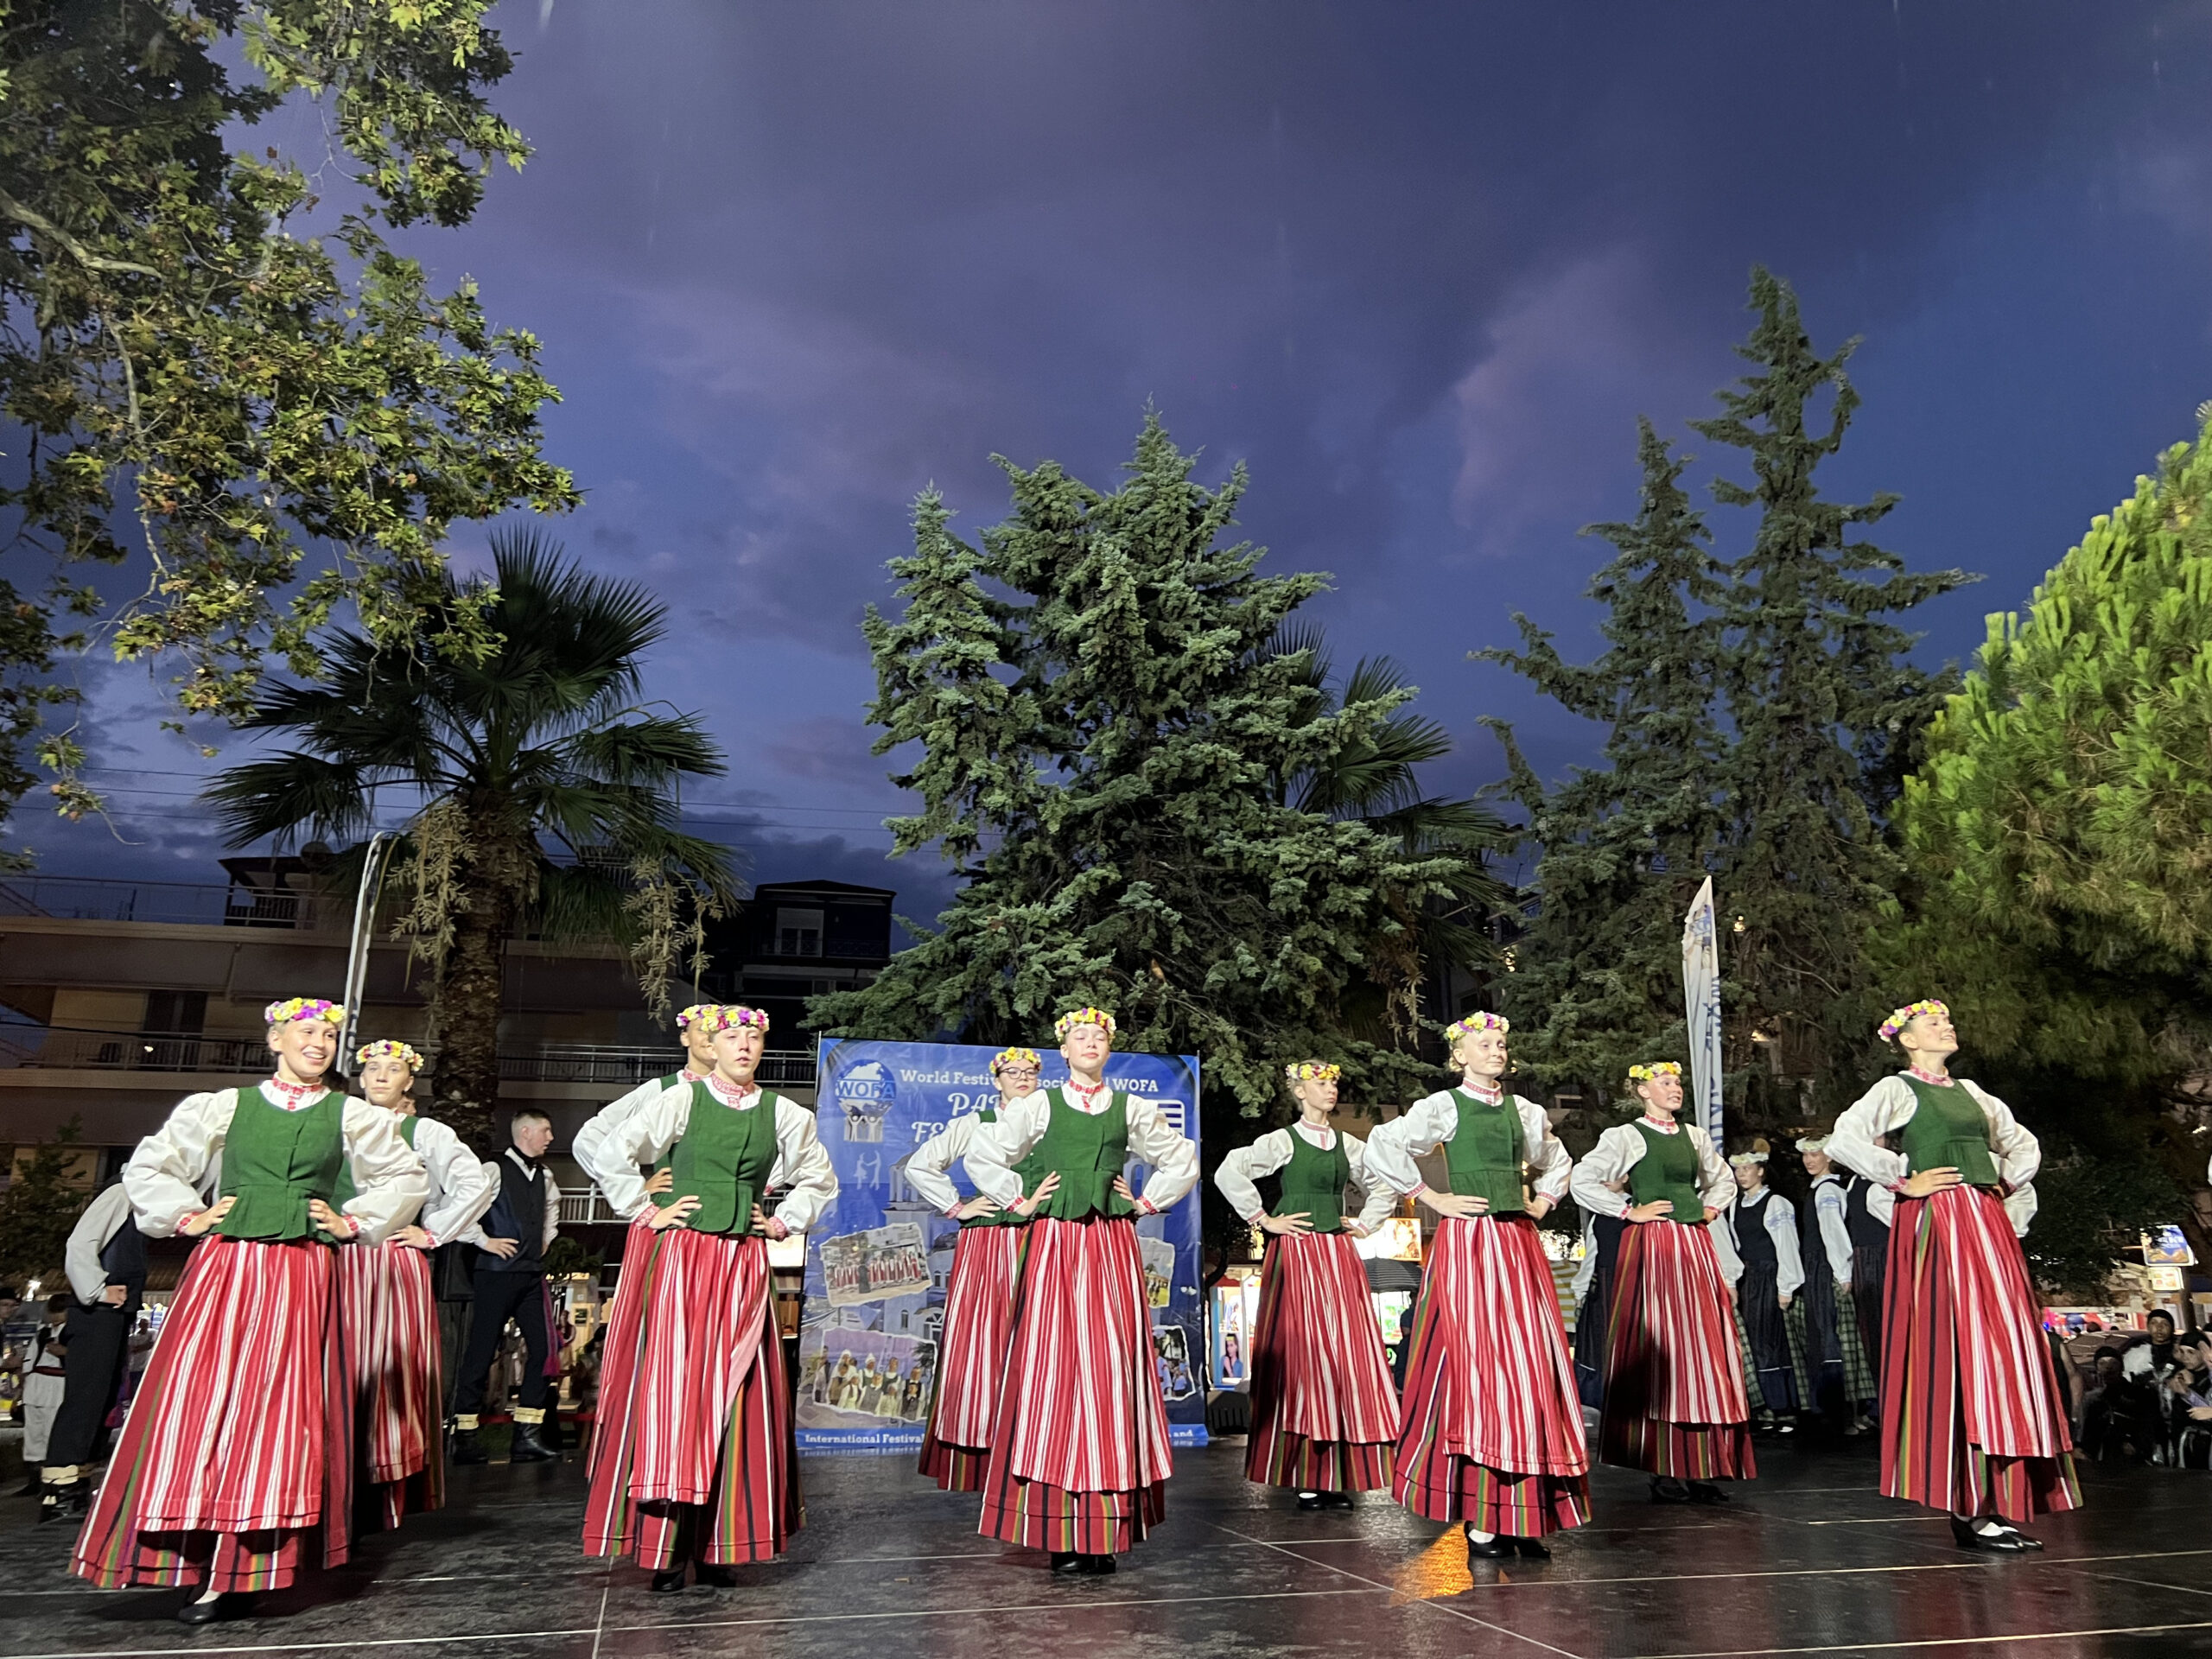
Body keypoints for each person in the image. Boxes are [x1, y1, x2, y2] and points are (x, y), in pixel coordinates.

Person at [71, 996, 426, 1624]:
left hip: (300, 1270)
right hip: (226, 1268)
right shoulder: (226, 1105)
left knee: (276, 1410)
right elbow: (151, 1163)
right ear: (275, 1040)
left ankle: (242, 1566)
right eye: (305, 1032)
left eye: (328, 1037)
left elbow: (405, 1174)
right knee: (199, 1401)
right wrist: (189, 1215)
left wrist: (351, 1221)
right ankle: (189, 1555)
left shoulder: (349, 1114)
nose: (318, 1044)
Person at [581, 1004, 836, 1589]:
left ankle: (722, 1543)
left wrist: (782, 1220)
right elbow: (612, 1150)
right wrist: (646, 1208)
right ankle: (667, 1547)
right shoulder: (681, 1099)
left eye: (753, 1037)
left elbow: (820, 1178)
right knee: (676, 1389)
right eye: (732, 1037)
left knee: (738, 1391)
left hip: (742, 1261)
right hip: (683, 1257)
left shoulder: (784, 1113)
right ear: (712, 1047)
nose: (744, 1046)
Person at [1828, 998, 2079, 1552]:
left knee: (2003, 1348)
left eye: (1946, 1020)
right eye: (1933, 1022)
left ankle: (1994, 1498)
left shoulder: (1973, 1093)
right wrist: (1902, 1179)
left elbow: (2022, 1144)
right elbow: (1844, 1138)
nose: (1946, 1026)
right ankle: (1968, 1506)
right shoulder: (1897, 1089)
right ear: (1908, 1039)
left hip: (1986, 1221)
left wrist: (2001, 1183)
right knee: (1956, 1348)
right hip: (1940, 1220)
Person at [963, 1007, 1200, 1576]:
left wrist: (1147, 1201)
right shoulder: (1039, 1105)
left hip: (1111, 1243)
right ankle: (1058, 1529)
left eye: (1099, 1036)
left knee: (1112, 1368)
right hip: (1055, 1244)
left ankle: (1104, 1530)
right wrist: (1019, 1200)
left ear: (1109, 1049)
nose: (1090, 1042)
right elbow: (984, 1153)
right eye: (1079, 1036)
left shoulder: (1130, 1108)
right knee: (1052, 1365)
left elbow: (1181, 1157)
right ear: (1064, 1050)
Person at [1365, 1013, 1588, 1562]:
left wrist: (1544, 1201)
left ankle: (1522, 1513)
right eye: (1485, 1044)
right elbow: (1383, 1144)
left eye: (1501, 1043)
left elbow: (1559, 1161)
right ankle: (1484, 1517)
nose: (1497, 1051)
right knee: (1480, 1367)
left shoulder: (1525, 1110)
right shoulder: (1444, 1106)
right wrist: (1431, 1197)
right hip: (1469, 1242)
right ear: (1460, 1055)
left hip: (1517, 1242)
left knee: (1531, 1367)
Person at [1216, 1060, 1398, 1510]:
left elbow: (1386, 1182)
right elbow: (1229, 1170)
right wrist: (1264, 1219)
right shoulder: (1284, 1140)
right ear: (1300, 1091)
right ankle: (1306, 1472)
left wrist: (1365, 1224)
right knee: (1304, 1354)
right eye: (1321, 1083)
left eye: (1334, 1082)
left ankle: (1335, 1471)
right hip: (1297, 1254)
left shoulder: (1348, 1145)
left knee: (1343, 1356)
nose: (1331, 1089)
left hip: (1337, 1253)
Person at [1571, 1060, 1753, 1505]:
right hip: (1653, 1247)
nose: (1675, 1088)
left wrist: (1709, 1208)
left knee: (1702, 1351)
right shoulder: (1627, 1136)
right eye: (1665, 1082)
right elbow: (1582, 1179)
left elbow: (1723, 1180)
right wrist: (1627, 1211)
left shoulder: (1694, 1136)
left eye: (1677, 1082)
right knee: (1662, 1350)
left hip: (1693, 1245)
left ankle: (1701, 1465)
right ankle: (1662, 1465)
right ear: (1642, 1091)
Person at [340, 1040, 497, 1528]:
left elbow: (475, 1183)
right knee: (336, 1366)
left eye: (394, 1069)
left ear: (409, 1081)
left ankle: (380, 1481)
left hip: (390, 1260)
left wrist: (433, 1232)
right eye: (373, 1068)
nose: (381, 1076)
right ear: (361, 1076)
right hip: (336, 1257)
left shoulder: (424, 1131)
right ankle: (332, 1473)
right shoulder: (336, 1121)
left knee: (385, 1367)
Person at [904, 1046, 1059, 1491]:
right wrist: (957, 1206)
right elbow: (920, 1165)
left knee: (1043, 1334)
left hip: (1047, 1234)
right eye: (1013, 1071)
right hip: (991, 1240)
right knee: (986, 1335)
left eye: (1030, 1072)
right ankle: (982, 1439)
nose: (1023, 1078)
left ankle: (1039, 1434)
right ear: (997, 1080)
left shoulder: (1052, 1120)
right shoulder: (976, 1123)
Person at [449, 1110, 563, 1465]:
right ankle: (465, 1436)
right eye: (545, 1130)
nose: (550, 1138)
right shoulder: (494, 1169)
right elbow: (462, 1207)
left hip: (530, 1275)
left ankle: (527, 1435)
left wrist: (546, 1239)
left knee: (544, 1351)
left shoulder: (545, 1175)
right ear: (525, 1131)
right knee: (481, 1353)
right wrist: (484, 1241)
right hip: (495, 1274)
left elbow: (552, 1208)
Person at [39, 1182, 152, 1523]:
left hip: (114, 1314)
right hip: (96, 1312)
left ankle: (77, 1482)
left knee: (102, 1399)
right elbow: (81, 1242)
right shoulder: (121, 1192)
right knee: (86, 1398)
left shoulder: (142, 1202)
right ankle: (58, 1490)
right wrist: (97, 1290)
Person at [1795, 1137, 1879, 1433]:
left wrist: (1843, 1272)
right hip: (1820, 1265)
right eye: (1805, 1155)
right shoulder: (1821, 1189)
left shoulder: (1828, 1190)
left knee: (1834, 1336)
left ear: (1829, 1157)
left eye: (1815, 1154)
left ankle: (1842, 1413)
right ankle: (1848, 1411)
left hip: (1826, 1267)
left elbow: (1834, 1233)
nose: (1809, 1159)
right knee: (1831, 1335)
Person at [1723, 1141, 1802, 1434]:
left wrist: (1786, 1286)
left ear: (1760, 1170)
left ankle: (1785, 1408)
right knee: (1756, 1342)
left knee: (1772, 1341)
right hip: (1750, 1277)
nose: (1742, 1174)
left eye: (1747, 1168)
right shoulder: (1735, 1206)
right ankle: (1767, 1404)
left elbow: (1786, 1245)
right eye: (1738, 1169)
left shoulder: (1776, 1203)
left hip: (1771, 1275)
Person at [19, 1295, 70, 1492]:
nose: (55, 1316)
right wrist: (23, 1382)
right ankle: (34, 1481)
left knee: (51, 1433)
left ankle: (52, 1483)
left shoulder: (73, 1334)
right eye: (53, 1311)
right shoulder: (43, 1333)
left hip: (57, 1385)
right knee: (32, 1434)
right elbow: (30, 1359)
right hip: (36, 1384)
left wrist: (66, 1352)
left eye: (60, 1311)